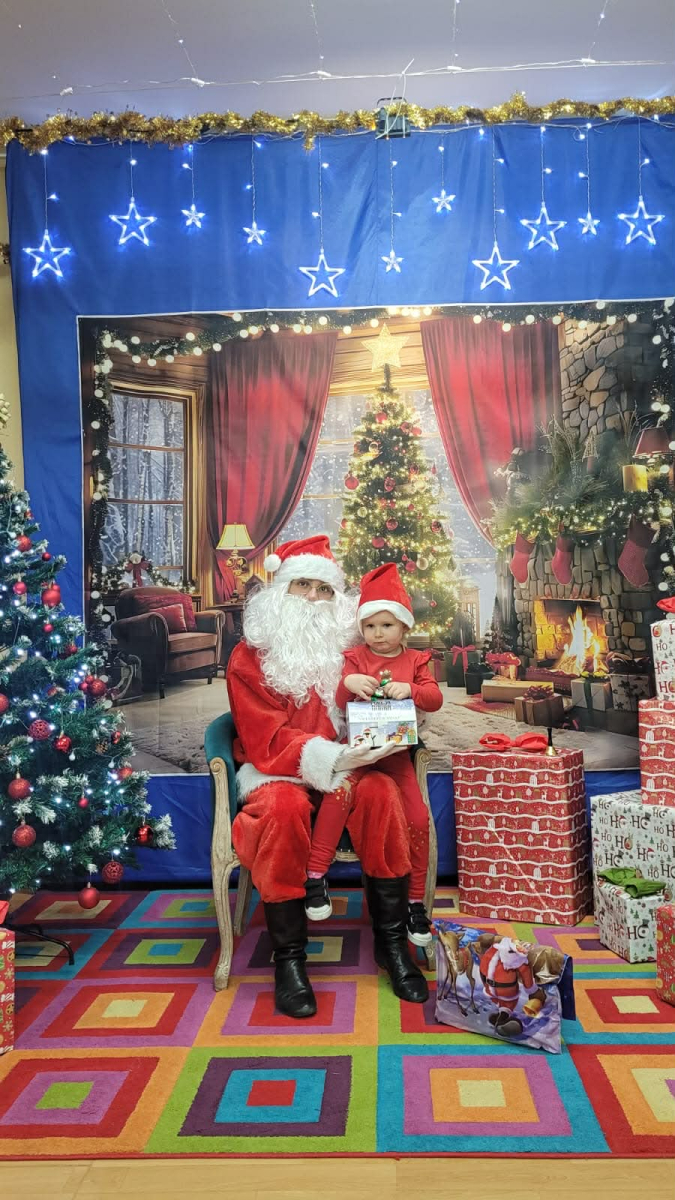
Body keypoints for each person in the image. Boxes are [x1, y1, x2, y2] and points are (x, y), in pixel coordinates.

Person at [226, 535, 429, 1019]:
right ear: (280, 590)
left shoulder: (355, 650)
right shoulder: (249, 656)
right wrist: (332, 757)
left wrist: (391, 727)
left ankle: (392, 943)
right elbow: (263, 738)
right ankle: (289, 959)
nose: (315, 598)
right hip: (280, 770)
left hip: (355, 768)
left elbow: (398, 697)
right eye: (303, 585)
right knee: (283, 809)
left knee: (382, 794)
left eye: (325, 589)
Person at [305, 563, 442, 947]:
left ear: (404, 627)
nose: (377, 634)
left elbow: (434, 699)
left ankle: (415, 902)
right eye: (369, 626)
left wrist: (411, 690)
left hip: (396, 756)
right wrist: (348, 682)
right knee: (337, 795)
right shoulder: (355, 657)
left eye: (386, 625)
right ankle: (315, 876)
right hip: (359, 753)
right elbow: (340, 700)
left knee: (418, 817)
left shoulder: (416, 661)